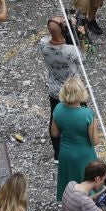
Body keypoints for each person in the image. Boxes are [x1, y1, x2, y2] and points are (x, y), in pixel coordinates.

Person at [52, 74, 105, 198]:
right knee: (87, 186)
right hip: (84, 156)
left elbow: (54, 133)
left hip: (66, 154)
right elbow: (94, 141)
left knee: (70, 184)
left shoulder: (58, 108)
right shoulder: (87, 114)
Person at [39, 17, 85, 156]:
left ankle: (57, 152)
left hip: (55, 89)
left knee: (55, 118)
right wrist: (80, 36)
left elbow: (52, 36)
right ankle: (80, 143)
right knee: (82, 117)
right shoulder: (70, 50)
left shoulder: (43, 44)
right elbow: (82, 59)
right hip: (73, 89)